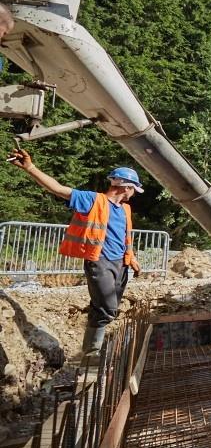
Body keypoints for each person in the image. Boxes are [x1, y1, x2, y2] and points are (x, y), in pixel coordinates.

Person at [7, 148, 143, 359]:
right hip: (100, 261)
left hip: (121, 263)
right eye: (134, 189)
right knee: (108, 308)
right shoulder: (93, 200)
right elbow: (58, 189)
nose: (134, 194)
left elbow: (126, 236)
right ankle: (93, 351)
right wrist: (30, 168)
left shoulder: (125, 209)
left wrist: (131, 257)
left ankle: (91, 350)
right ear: (126, 187)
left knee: (104, 307)